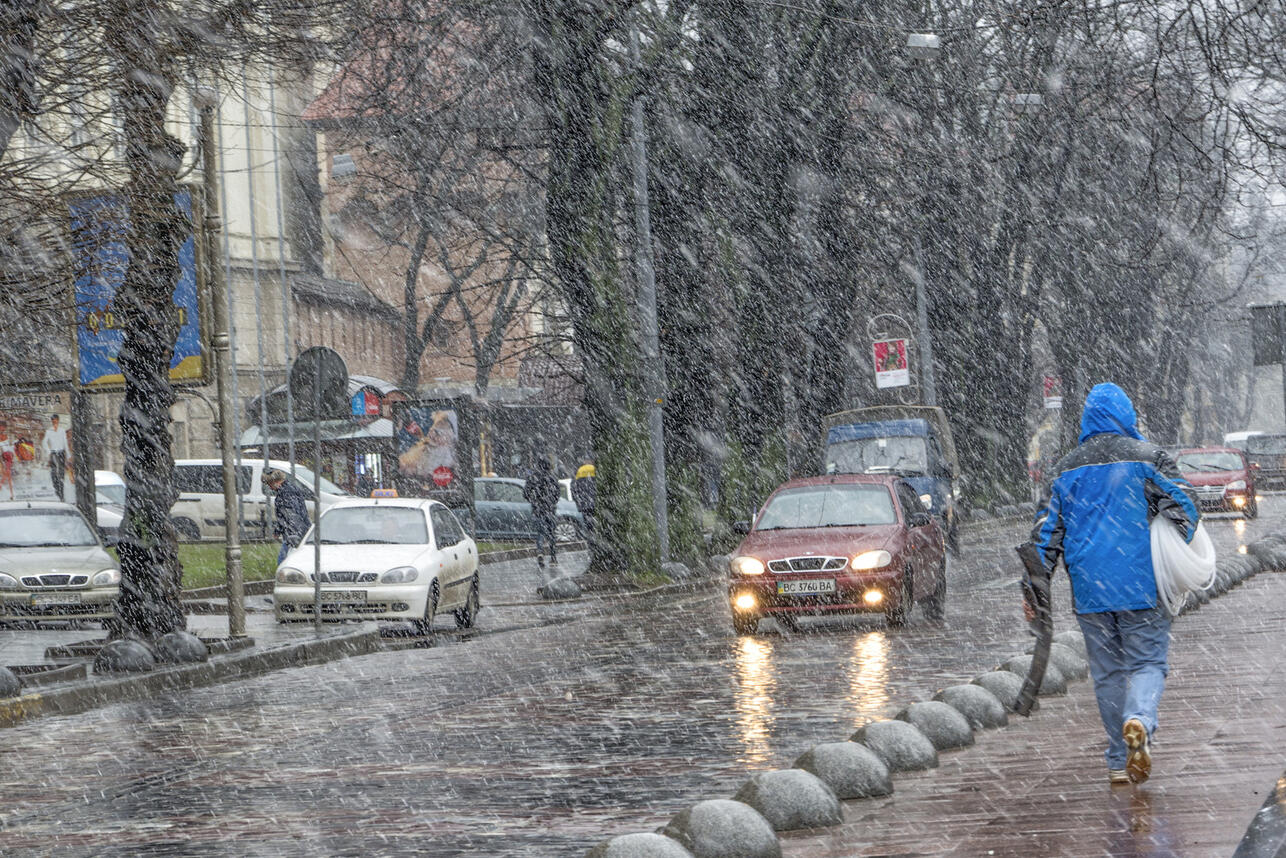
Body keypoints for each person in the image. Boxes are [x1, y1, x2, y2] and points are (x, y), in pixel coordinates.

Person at [1030, 383, 1198, 786]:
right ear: (1126, 416)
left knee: (1107, 674)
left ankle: (1118, 760)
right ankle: (1138, 719)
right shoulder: (1149, 458)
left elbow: (1045, 534)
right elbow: (1185, 507)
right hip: (1141, 583)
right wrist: (1172, 541)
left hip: (1090, 589)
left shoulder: (1065, 469)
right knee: (1148, 662)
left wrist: (1034, 588)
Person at [262, 469, 312, 564]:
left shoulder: (285, 493)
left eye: (270, 484)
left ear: (275, 482)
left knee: (283, 562)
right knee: (291, 560)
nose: (270, 488)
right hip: (297, 531)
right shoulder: (290, 489)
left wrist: (292, 534)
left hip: (293, 533)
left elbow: (289, 515)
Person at [523, 457, 560, 567]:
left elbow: (525, 493)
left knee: (540, 533)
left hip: (537, 509)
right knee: (551, 533)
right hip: (550, 509)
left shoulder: (533, 477)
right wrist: (552, 501)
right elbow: (557, 493)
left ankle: (540, 552)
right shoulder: (552, 478)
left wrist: (533, 501)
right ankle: (553, 557)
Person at [41, 414, 69, 502]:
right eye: (53, 420)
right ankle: (56, 490)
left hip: (61, 452)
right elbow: (44, 442)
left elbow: (65, 443)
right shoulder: (49, 431)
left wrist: (68, 454)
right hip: (53, 452)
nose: (54, 422)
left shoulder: (62, 431)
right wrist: (49, 451)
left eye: (56, 420)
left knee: (61, 473)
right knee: (54, 473)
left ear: (58, 420)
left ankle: (61, 494)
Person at [571, 462, 596, 533]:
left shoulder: (578, 477)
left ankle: (589, 534)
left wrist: (577, 502)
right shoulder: (594, 476)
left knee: (587, 523)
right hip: (595, 504)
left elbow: (573, 491)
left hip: (584, 504)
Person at [0, 421, 14, 500]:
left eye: (3, 427)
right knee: (7, 474)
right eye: (2, 426)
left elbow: (9, 446)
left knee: (8, 475)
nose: (3, 428)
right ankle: (11, 494)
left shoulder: (5, 435)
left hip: (8, 456)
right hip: (4, 456)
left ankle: (11, 494)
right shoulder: (3, 435)